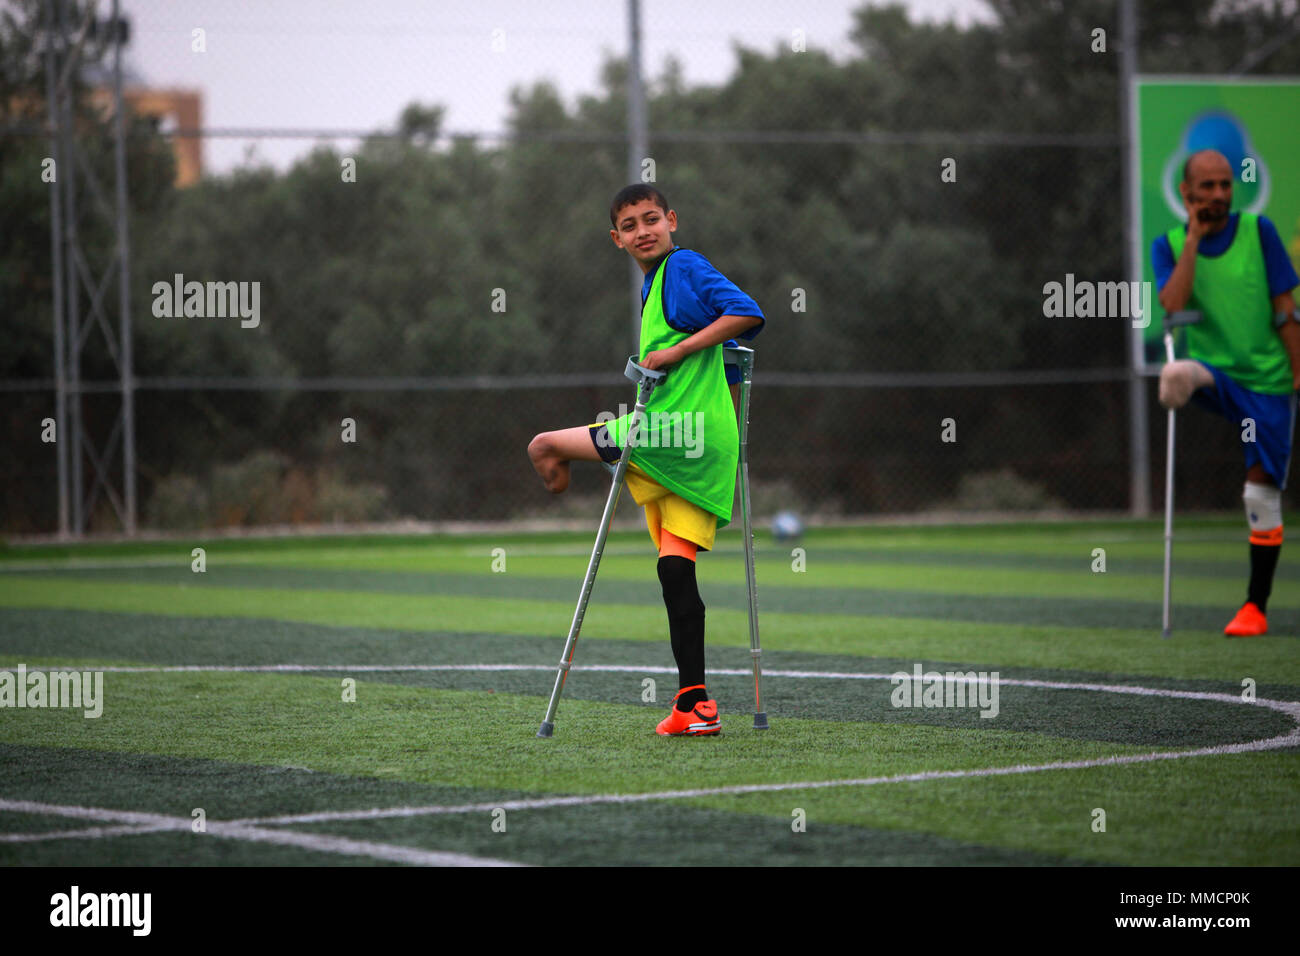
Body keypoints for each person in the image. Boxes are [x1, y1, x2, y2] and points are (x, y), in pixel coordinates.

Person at [528, 184, 764, 732]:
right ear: (617, 239)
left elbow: (746, 313)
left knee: (554, 443)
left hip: (675, 433)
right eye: (630, 225)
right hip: (701, 443)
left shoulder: (683, 268)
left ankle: (573, 454)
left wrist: (680, 351)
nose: (643, 231)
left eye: (651, 218)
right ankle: (695, 705)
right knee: (674, 569)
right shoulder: (657, 286)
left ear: (672, 220)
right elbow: (723, 351)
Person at [1153, 149, 1300, 636]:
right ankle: (1182, 378)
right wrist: (1193, 240)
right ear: (1187, 193)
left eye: (1225, 185)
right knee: (1177, 374)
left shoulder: (1260, 232)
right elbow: (1171, 305)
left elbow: (1285, 309)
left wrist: (1299, 371)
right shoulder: (1169, 244)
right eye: (1208, 186)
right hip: (1216, 374)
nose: (1218, 194)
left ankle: (1254, 608)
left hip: (1267, 382)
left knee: (1259, 491)